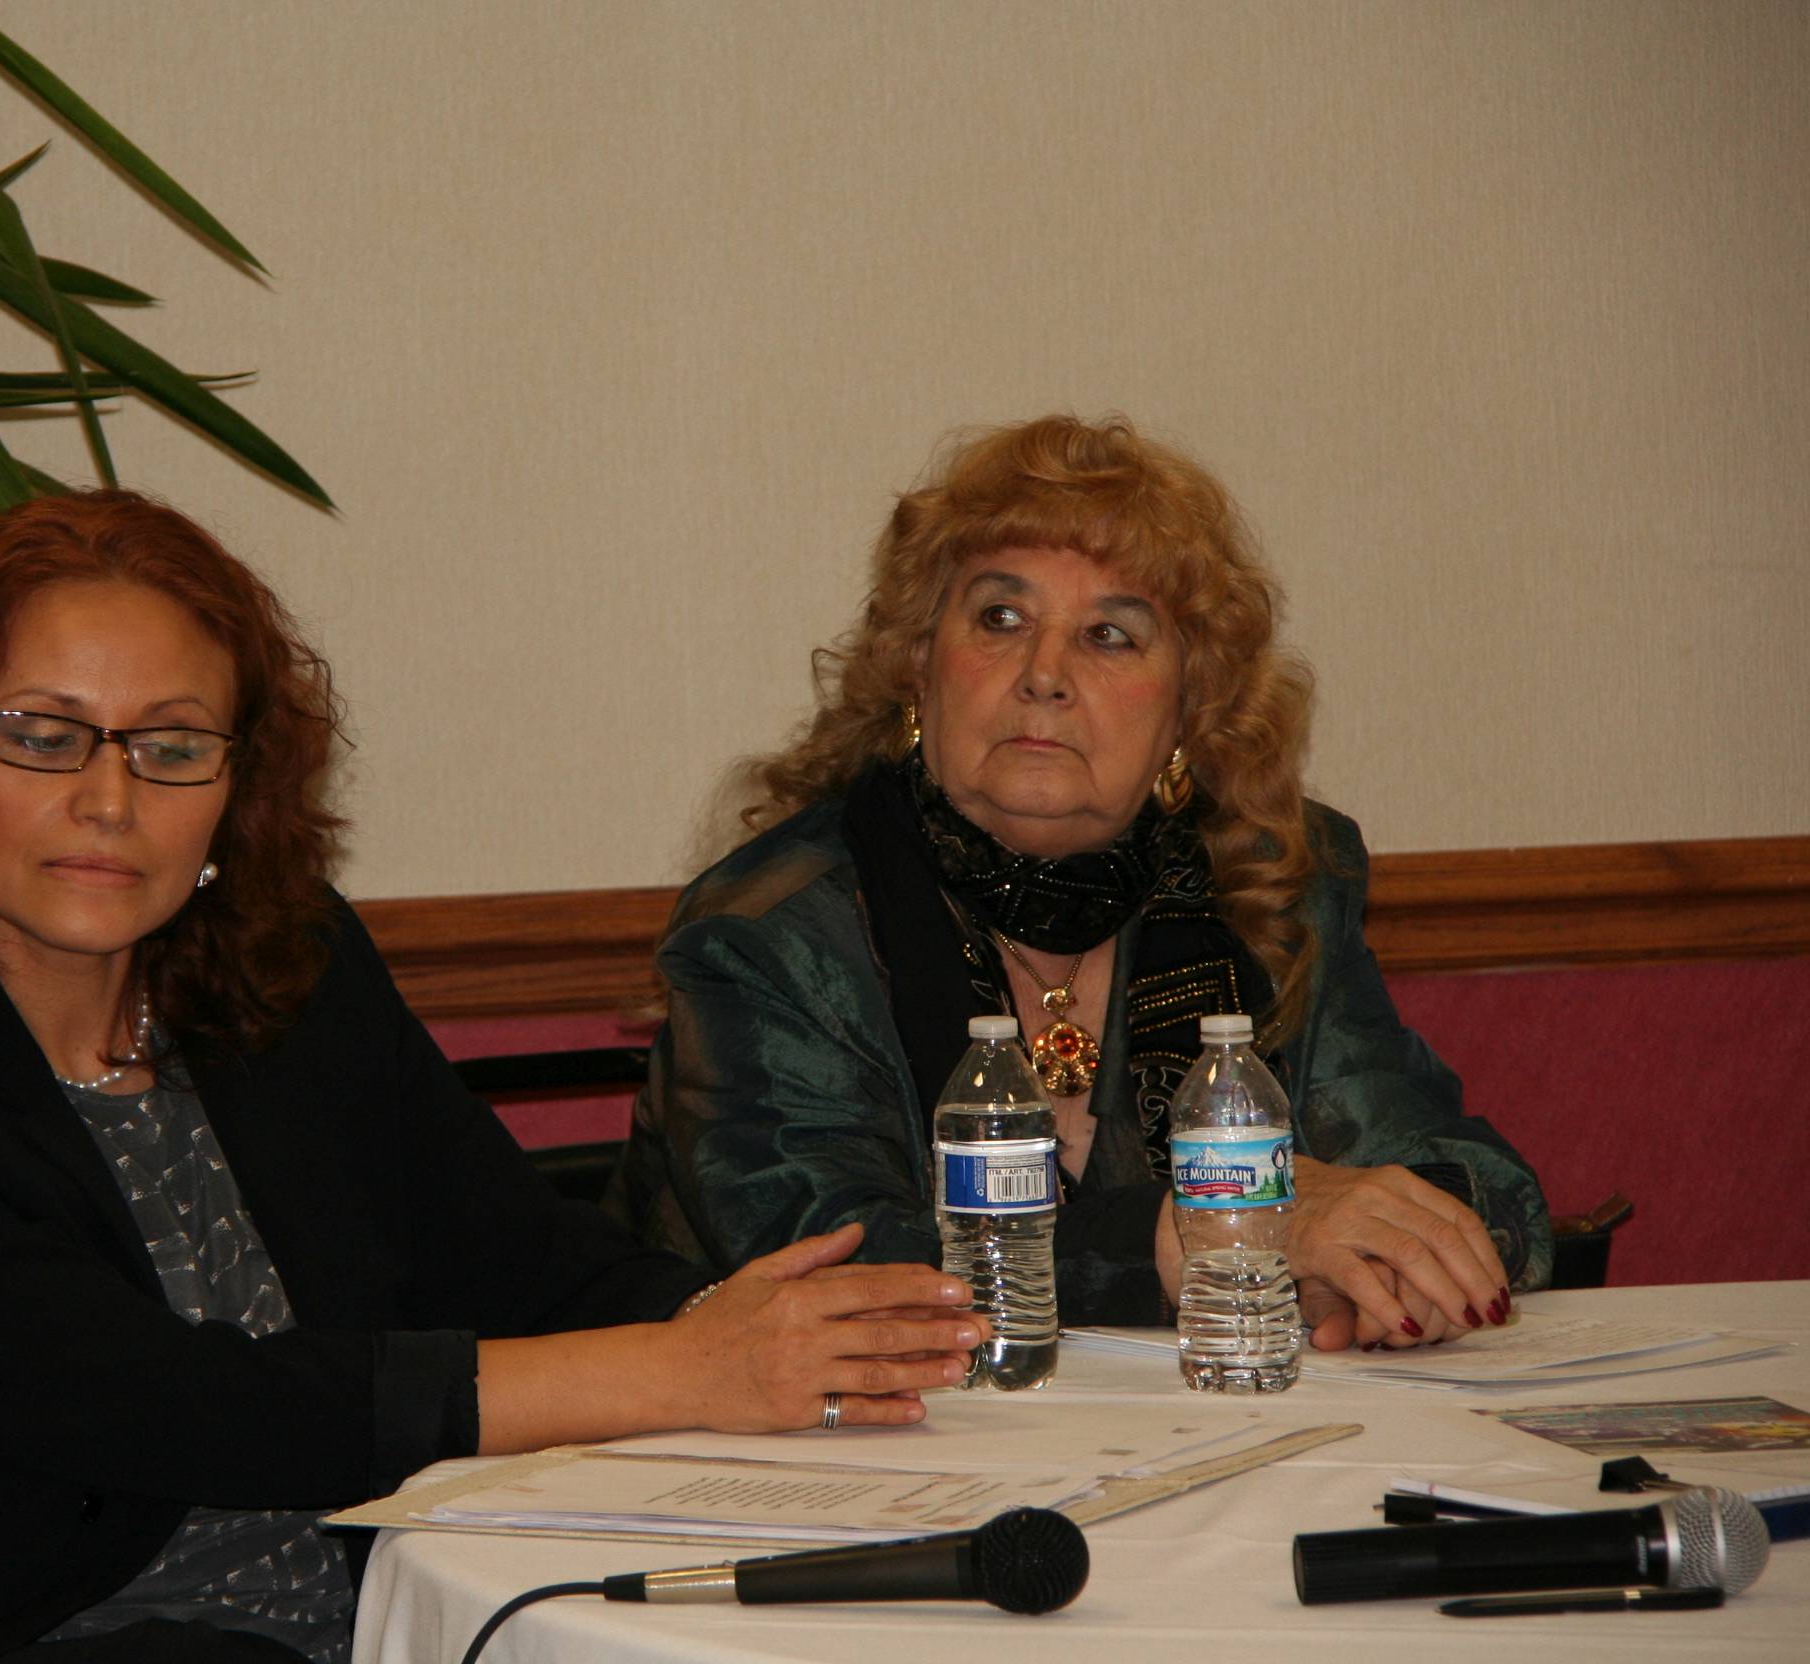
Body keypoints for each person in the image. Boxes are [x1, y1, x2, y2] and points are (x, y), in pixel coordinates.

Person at [0, 491, 981, 1664]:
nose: (111, 799)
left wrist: (764, 1329)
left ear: (234, 788)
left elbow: (517, 1258)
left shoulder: (286, 979)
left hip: (357, 1620)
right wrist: (674, 1370)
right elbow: (191, 1412)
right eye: (44, 736)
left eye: (172, 745)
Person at [614, 415, 1551, 1356]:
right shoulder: (773, 932)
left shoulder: (1268, 888)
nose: (1045, 675)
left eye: (1110, 634)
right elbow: (844, 1272)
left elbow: (1466, 1177)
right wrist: (1222, 1229)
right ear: (917, 668)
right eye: (1001, 619)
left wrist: (1400, 1259)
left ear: (1190, 708)